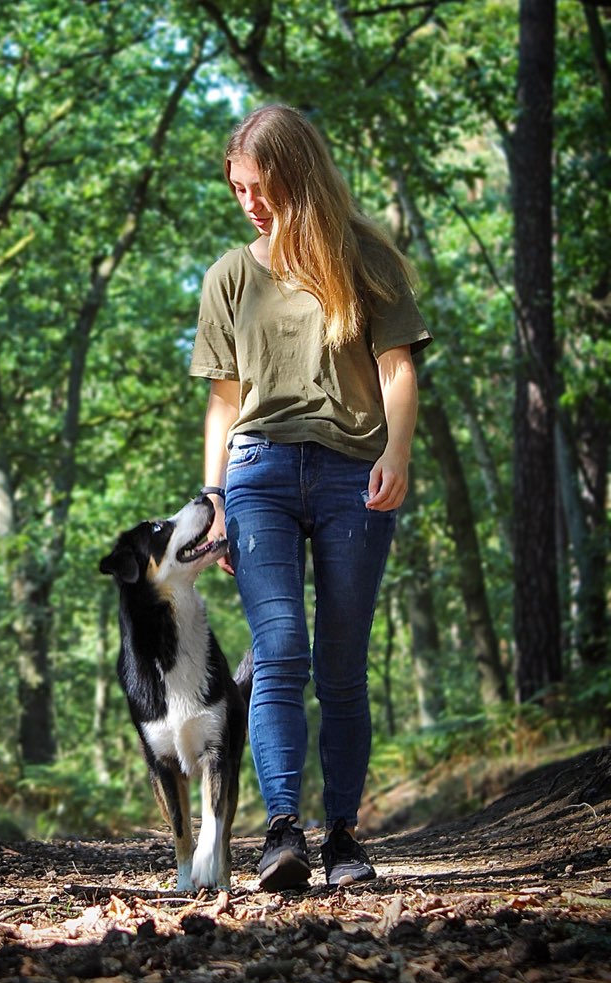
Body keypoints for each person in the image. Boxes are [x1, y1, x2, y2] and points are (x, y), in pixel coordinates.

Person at [189, 104, 432, 891]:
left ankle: (346, 840)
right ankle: (283, 831)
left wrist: (396, 452)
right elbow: (225, 402)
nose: (250, 202)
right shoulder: (231, 275)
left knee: (342, 665)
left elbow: (397, 370)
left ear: (300, 176)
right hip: (256, 476)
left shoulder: (367, 259)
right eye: (238, 190)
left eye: (262, 186)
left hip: (352, 477)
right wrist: (213, 497)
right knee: (281, 652)